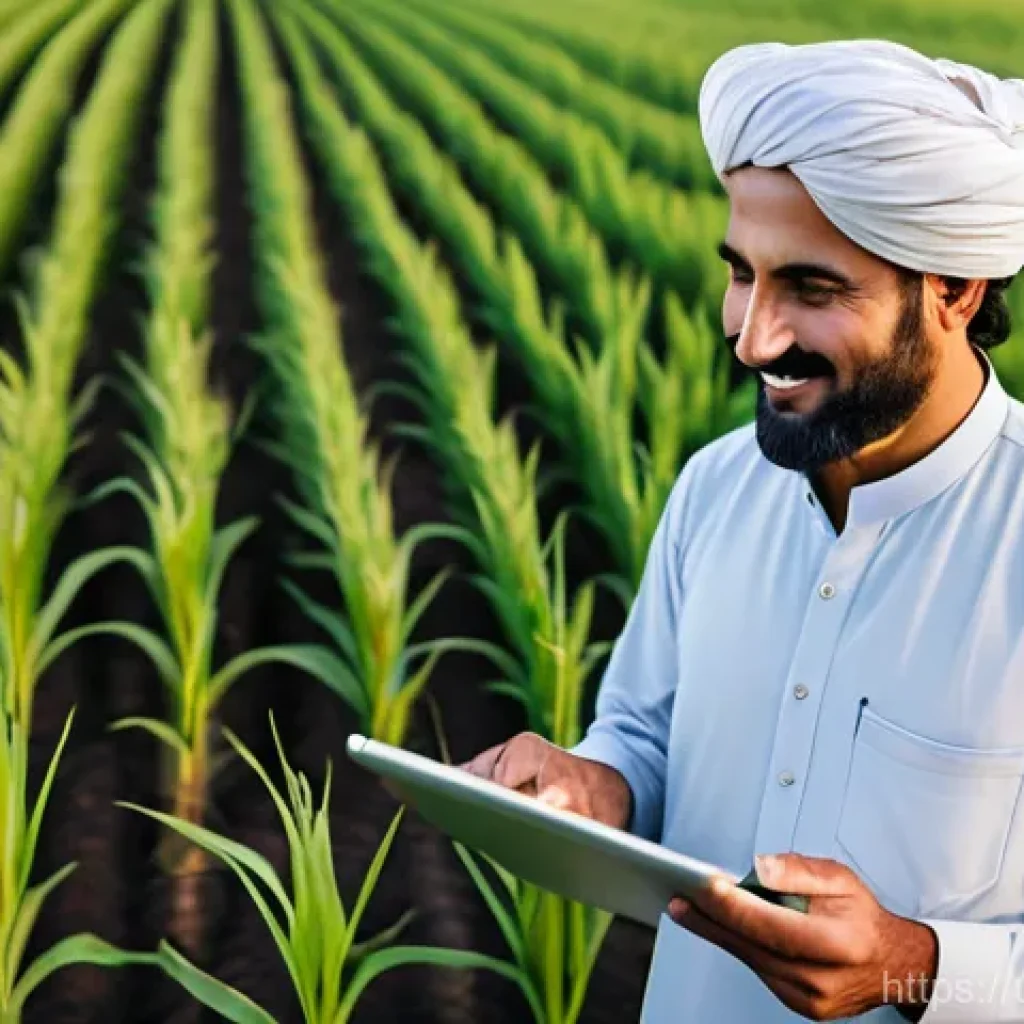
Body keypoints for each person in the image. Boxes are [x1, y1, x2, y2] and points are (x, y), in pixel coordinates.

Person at [461, 38, 1024, 1023]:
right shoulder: (716, 486)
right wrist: (586, 787)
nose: (753, 336)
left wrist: (913, 965)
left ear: (953, 288)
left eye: (810, 288)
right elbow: (641, 740)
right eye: (740, 276)